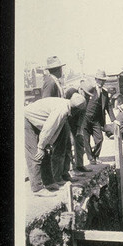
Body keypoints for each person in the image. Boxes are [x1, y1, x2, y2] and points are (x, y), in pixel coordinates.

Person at [25, 94, 86, 197]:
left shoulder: (66, 106)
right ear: (76, 110)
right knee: (36, 154)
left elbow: (55, 130)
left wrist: (47, 144)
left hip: (37, 122)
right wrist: (41, 147)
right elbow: (49, 128)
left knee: (46, 152)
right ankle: (37, 188)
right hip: (26, 120)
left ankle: (49, 183)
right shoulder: (62, 110)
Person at [41, 55, 78, 184]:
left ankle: (64, 172)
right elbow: (46, 103)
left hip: (63, 119)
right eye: (60, 68)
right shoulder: (50, 82)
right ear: (56, 69)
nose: (62, 71)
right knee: (59, 149)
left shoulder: (56, 81)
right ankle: (57, 176)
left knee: (67, 146)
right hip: (57, 119)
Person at [81, 70, 116, 165]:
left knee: (99, 139)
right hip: (85, 118)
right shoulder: (88, 89)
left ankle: (95, 155)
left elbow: (108, 106)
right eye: (100, 80)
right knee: (86, 139)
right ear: (96, 79)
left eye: (103, 80)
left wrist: (114, 120)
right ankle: (91, 158)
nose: (102, 82)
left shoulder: (104, 92)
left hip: (96, 119)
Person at [64, 87, 92, 174]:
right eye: (86, 94)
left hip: (76, 122)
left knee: (79, 140)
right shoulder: (70, 92)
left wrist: (79, 128)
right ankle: (71, 168)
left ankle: (79, 165)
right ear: (81, 89)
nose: (87, 96)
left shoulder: (85, 98)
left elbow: (83, 113)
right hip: (66, 119)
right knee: (68, 143)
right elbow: (64, 108)